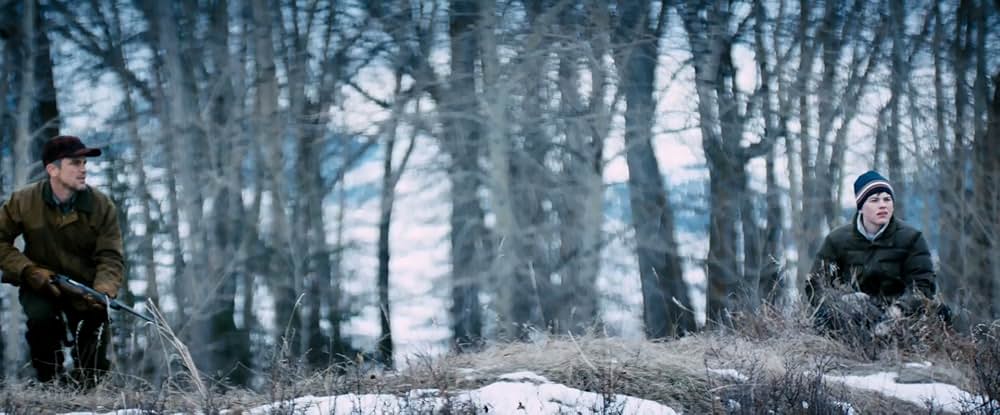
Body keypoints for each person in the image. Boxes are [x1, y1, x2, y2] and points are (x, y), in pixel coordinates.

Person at [0, 135, 124, 387]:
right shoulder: (23, 201)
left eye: (85, 163)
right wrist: (28, 270)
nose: (83, 169)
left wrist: (103, 291)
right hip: (40, 283)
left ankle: (88, 395)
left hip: (87, 287)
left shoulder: (102, 205)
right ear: (52, 170)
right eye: (75, 163)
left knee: (94, 357)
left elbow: (110, 256)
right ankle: (50, 388)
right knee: (41, 325)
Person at [805, 170, 949, 336]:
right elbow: (815, 285)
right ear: (861, 207)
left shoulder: (912, 238)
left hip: (901, 317)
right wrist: (845, 300)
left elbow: (923, 286)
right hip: (854, 316)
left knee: (940, 313)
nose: (882, 205)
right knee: (824, 318)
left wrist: (899, 310)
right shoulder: (836, 240)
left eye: (887, 199)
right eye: (874, 200)